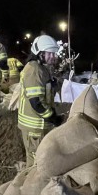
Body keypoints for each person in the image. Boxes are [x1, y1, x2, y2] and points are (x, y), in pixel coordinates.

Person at [18, 34, 64, 168]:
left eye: (54, 54)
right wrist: (53, 118)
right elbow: (37, 103)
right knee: (36, 165)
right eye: (50, 54)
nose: (53, 57)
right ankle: (29, 187)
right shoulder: (34, 70)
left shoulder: (41, 68)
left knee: (42, 161)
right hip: (34, 127)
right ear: (40, 53)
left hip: (39, 125)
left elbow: (44, 94)